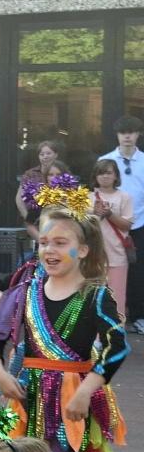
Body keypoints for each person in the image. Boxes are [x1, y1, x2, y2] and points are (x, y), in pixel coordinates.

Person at [0, 205, 128, 452]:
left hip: (75, 408)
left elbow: (117, 346)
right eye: (44, 242)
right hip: (30, 404)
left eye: (60, 242)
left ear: (82, 250)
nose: (49, 250)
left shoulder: (97, 296)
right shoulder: (25, 292)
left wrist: (86, 390)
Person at [99, 115, 144, 333]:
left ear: (138, 135)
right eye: (123, 132)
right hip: (110, 226)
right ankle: (108, 317)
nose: (127, 136)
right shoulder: (106, 161)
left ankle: (138, 316)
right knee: (108, 271)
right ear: (117, 135)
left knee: (138, 272)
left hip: (139, 225)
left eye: (132, 132)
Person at [90, 158, 134, 320]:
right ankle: (95, 339)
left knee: (117, 300)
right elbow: (80, 226)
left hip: (117, 255)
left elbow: (126, 225)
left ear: (116, 176)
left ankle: (117, 338)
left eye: (109, 172)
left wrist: (110, 214)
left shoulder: (125, 197)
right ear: (95, 176)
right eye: (101, 173)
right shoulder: (87, 197)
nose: (105, 176)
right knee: (93, 299)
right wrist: (94, 214)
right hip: (93, 257)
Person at [17, 141, 64, 240]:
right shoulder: (30, 174)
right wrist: (28, 218)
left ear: (56, 155)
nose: (45, 156)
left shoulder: (63, 173)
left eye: (48, 153)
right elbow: (19, 199)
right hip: (36, 220)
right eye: (42, 154)